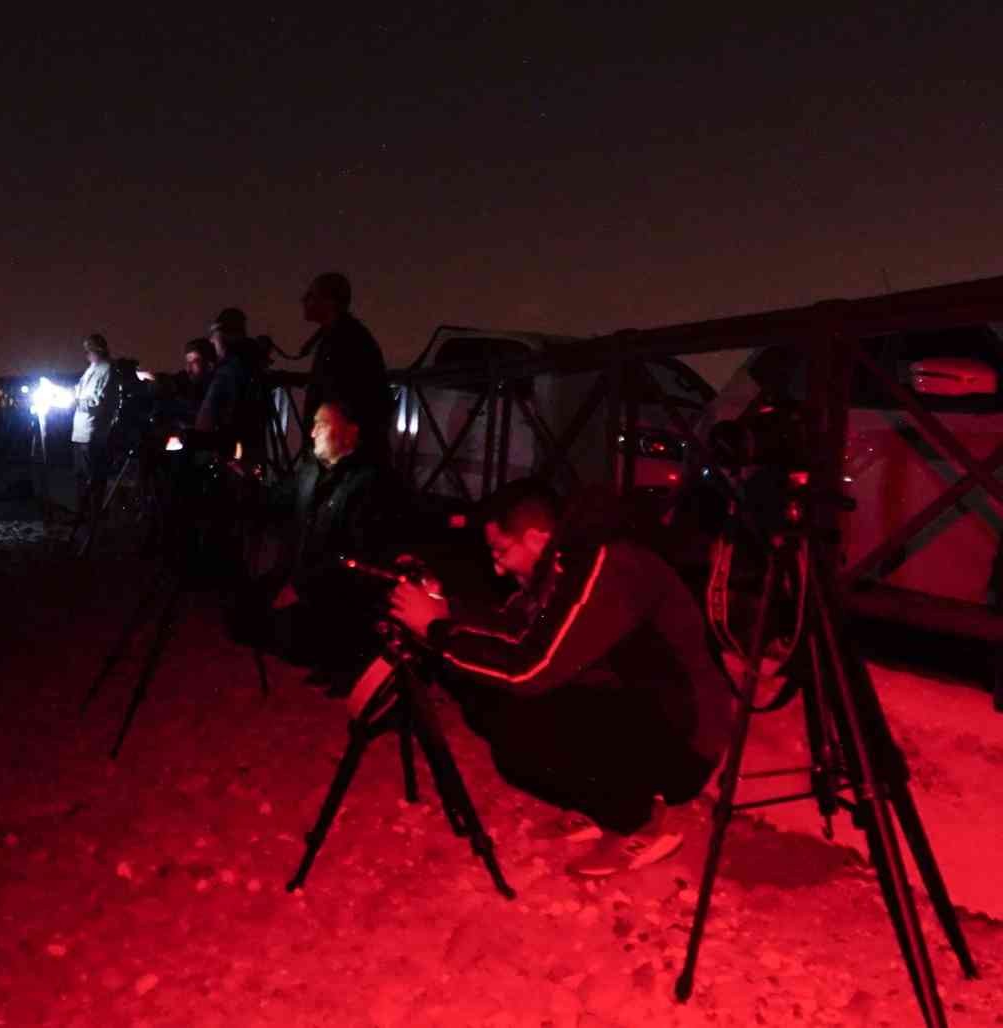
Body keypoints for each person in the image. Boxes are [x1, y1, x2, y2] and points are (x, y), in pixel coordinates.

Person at [387, 478, 735, 878]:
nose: (497, 567)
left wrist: (436, 632)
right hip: (645, 712)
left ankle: (637, 820)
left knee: (519, 726)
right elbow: (510, 626)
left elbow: (529, 669)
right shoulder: (561, 566)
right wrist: (444, 610)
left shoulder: (608, 563)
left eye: (500, 550)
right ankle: (603, 802)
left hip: (688, 742)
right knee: (488, 698)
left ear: (536, 538)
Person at [231, 399, 401, 691]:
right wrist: (243, 482)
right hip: (303, 581)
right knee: (240, 614)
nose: (312, 433)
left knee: (289, 630)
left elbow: (356, 560)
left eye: (321, 424)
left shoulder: (369, 484)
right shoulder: (311, 472)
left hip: (334, 594)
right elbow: (274, 502)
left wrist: (301, 588)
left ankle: (343, 659)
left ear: (349, 432)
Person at [298, 272, 393, 464]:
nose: (304, 300)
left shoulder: (345, 340)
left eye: (311, 295)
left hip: (341, 456)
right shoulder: (344, 336)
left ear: (329, 302)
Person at [196, 308, 268, 463]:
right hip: (252, 451)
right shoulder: (254, 367)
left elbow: (206, 419)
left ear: (226, 336)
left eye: (215, 336)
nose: (211, 341)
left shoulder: (228, 371)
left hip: (228, 452)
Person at [71, 333, 115, 521]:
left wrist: (75, 401)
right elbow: (78, 391)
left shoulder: (107, 370)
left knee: (94, 479)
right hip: (80, 433)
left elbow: (99, 401)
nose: (86, 355)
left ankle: (95, 516)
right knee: (81, 477)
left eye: (88, 351)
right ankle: (83, 514)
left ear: (96, 350)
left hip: (93, 434)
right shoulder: (91, 369)